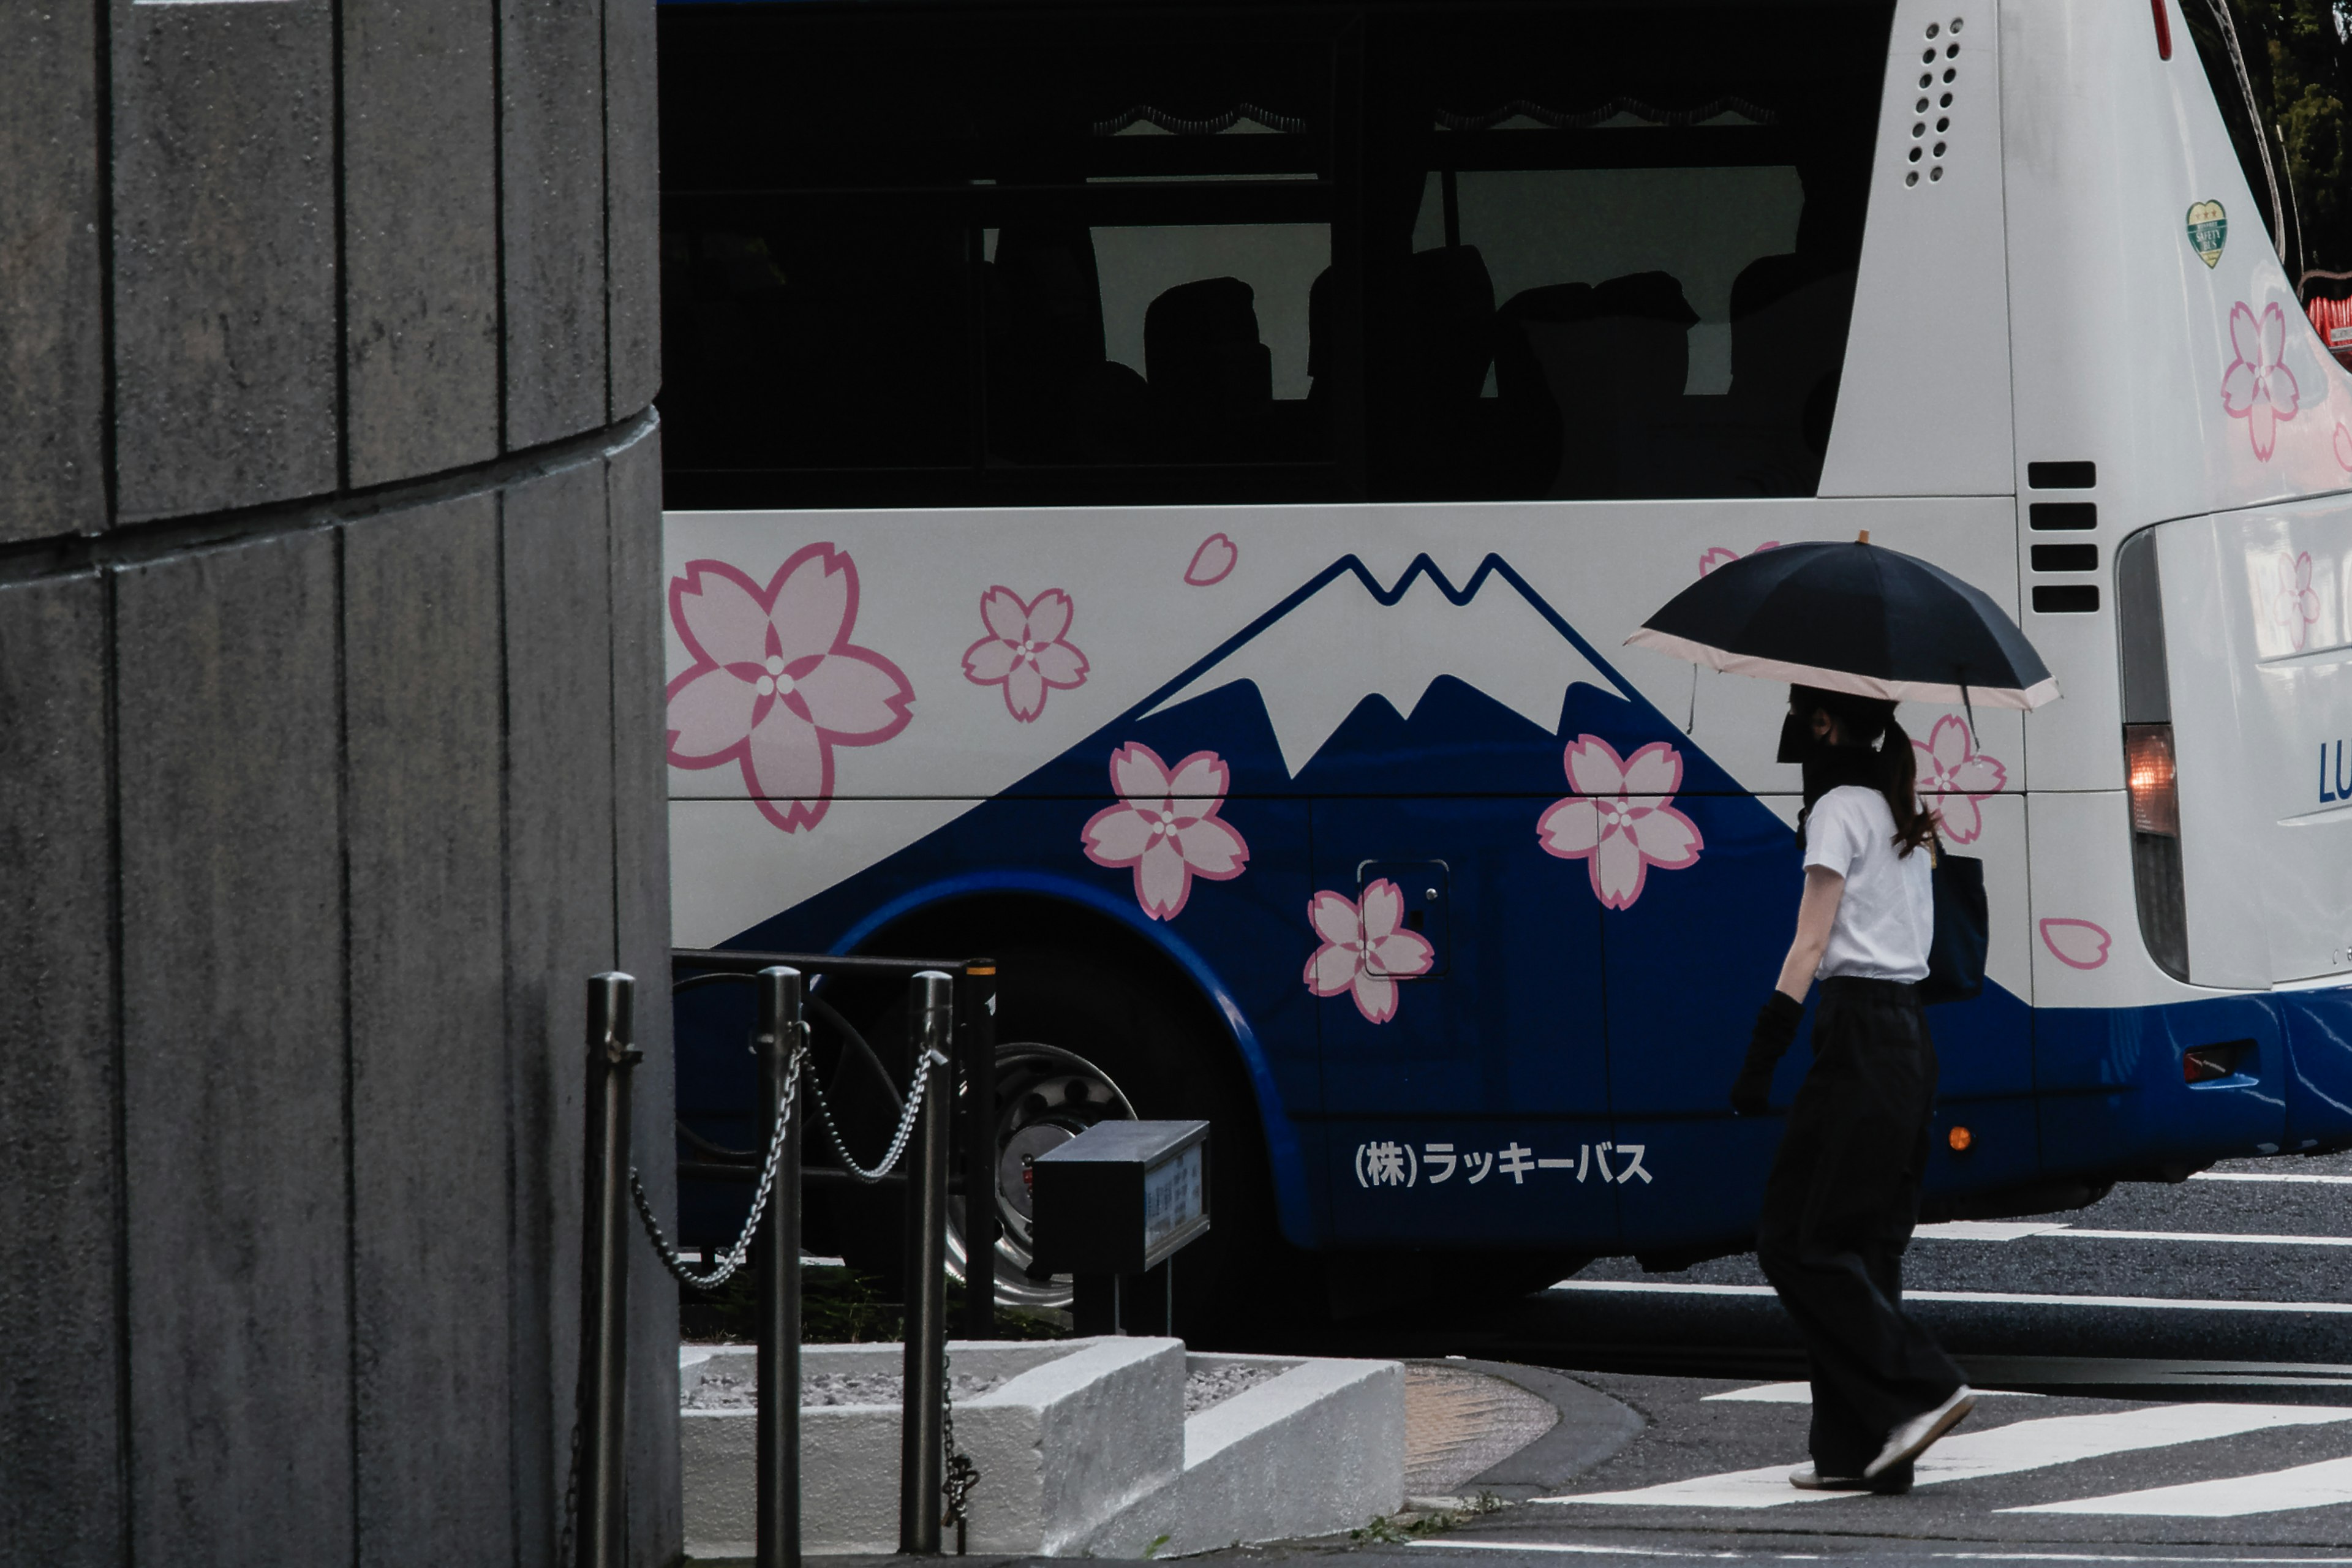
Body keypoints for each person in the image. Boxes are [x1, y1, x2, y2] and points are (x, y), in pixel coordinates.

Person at [1730, 684, 1975, 1493]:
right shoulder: (1899, 807)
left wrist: (1760, 1060)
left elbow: (1809, 945)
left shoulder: (1838, 807)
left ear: (1825, 724)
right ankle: (1860, 1452)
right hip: (1912, 1039)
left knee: (1794, 1239)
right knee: (1864, 1246)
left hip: (1860, 1034)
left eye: (1800, 712)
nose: (1794, 727)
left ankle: (1922, 1386)